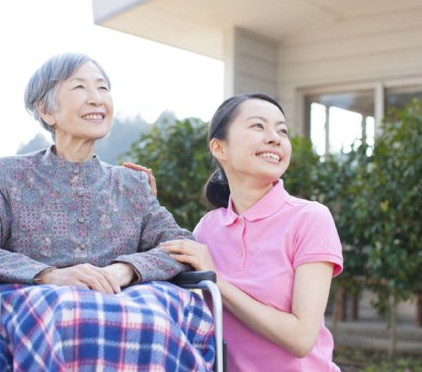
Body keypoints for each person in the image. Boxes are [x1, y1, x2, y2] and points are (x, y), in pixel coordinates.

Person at [0, 52, 215, 371]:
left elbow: (180, 246)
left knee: (152, 314)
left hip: (126, 310)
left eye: (103, 88)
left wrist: (124, 270)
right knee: (68, 310)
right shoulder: (7, 175)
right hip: (45, 306)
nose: (96, 99)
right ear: (46, 109)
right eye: (80, 87)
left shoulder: (132, 185)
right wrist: (48, 275)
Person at [126, 93, 343, 371]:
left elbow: (301, 339)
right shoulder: (208, 228)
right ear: (219, 148)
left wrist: (216, 280)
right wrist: (144, 209)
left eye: (282, 130)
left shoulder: (310, 218)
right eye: (258, 126)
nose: (275, 137)